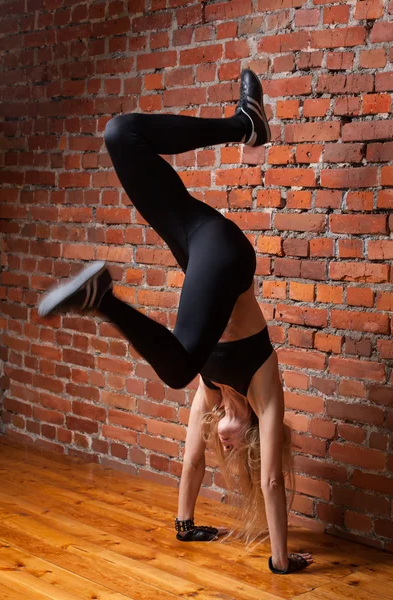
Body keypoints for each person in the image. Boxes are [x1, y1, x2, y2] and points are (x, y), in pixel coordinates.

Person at [39, 69, 313, 575]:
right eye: (235, 445)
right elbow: (272, 482)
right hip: (226, 256)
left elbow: (192, 462)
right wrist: (281, 561)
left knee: (121, 134)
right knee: (179, 366)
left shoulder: (210, 397)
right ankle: (103, 300)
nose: (223, 443)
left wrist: (185, 526)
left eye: (222, 446)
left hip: (196, 243)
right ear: (251, 433)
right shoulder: (264, 387)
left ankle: (245, 123)